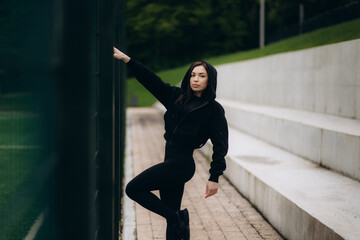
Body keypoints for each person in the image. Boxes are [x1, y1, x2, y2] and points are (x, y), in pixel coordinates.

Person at [113, 47, 228, 240]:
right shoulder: (177, 97)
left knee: (133, 189)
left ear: (210, 80)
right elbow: (152, 82)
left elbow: (220, 144)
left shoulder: (213, 110)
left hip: (182, 165)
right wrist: (128, 60)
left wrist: (214, 176)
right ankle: (176, 218)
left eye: (201, 75)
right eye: (193, 74)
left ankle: (177, 217)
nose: (195, 79)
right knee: (171, 216)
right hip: (170, 160)